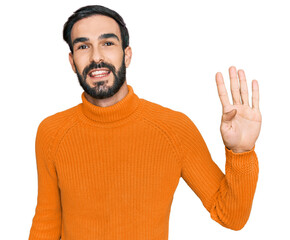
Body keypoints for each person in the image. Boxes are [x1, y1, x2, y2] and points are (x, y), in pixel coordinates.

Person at [28, 5, 262, 240]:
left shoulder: (174, 128)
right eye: (83, 46)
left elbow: (231, 216)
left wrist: (241, 152)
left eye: (107, 43)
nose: (96, 57)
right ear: (72, 61)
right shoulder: (52, 132)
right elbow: (46, 223)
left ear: (126, 55)